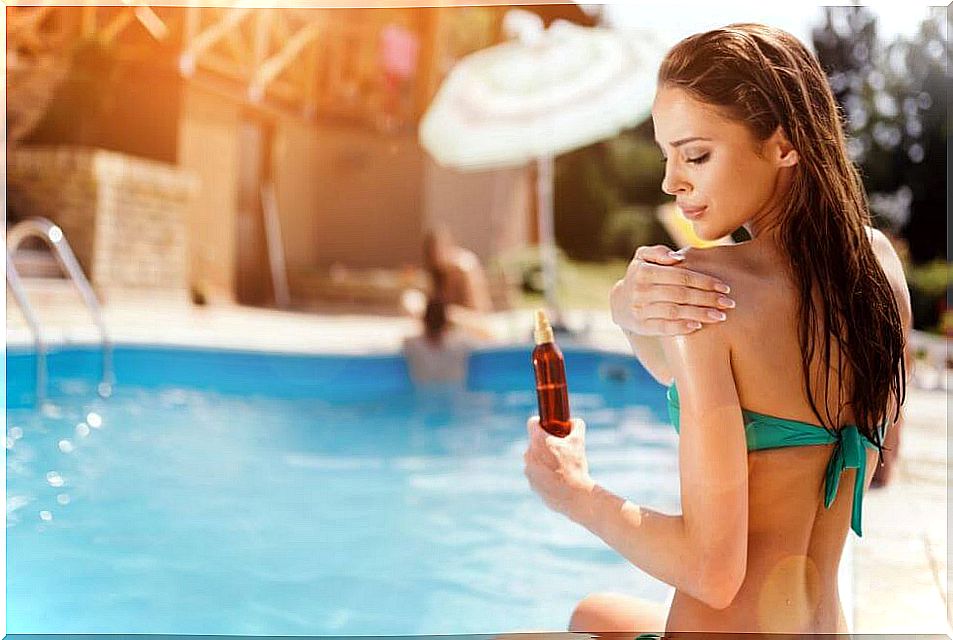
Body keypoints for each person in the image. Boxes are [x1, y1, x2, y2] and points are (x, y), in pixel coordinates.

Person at [522, 23, 911, 636]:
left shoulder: (706, 291)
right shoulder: (880, 269)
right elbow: (755, 393)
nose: (671, 181)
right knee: (591, 612)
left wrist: (575, 491)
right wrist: (626, 309)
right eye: (667, 155)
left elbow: (711, 572)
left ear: (784, 145)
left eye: (696, 154)